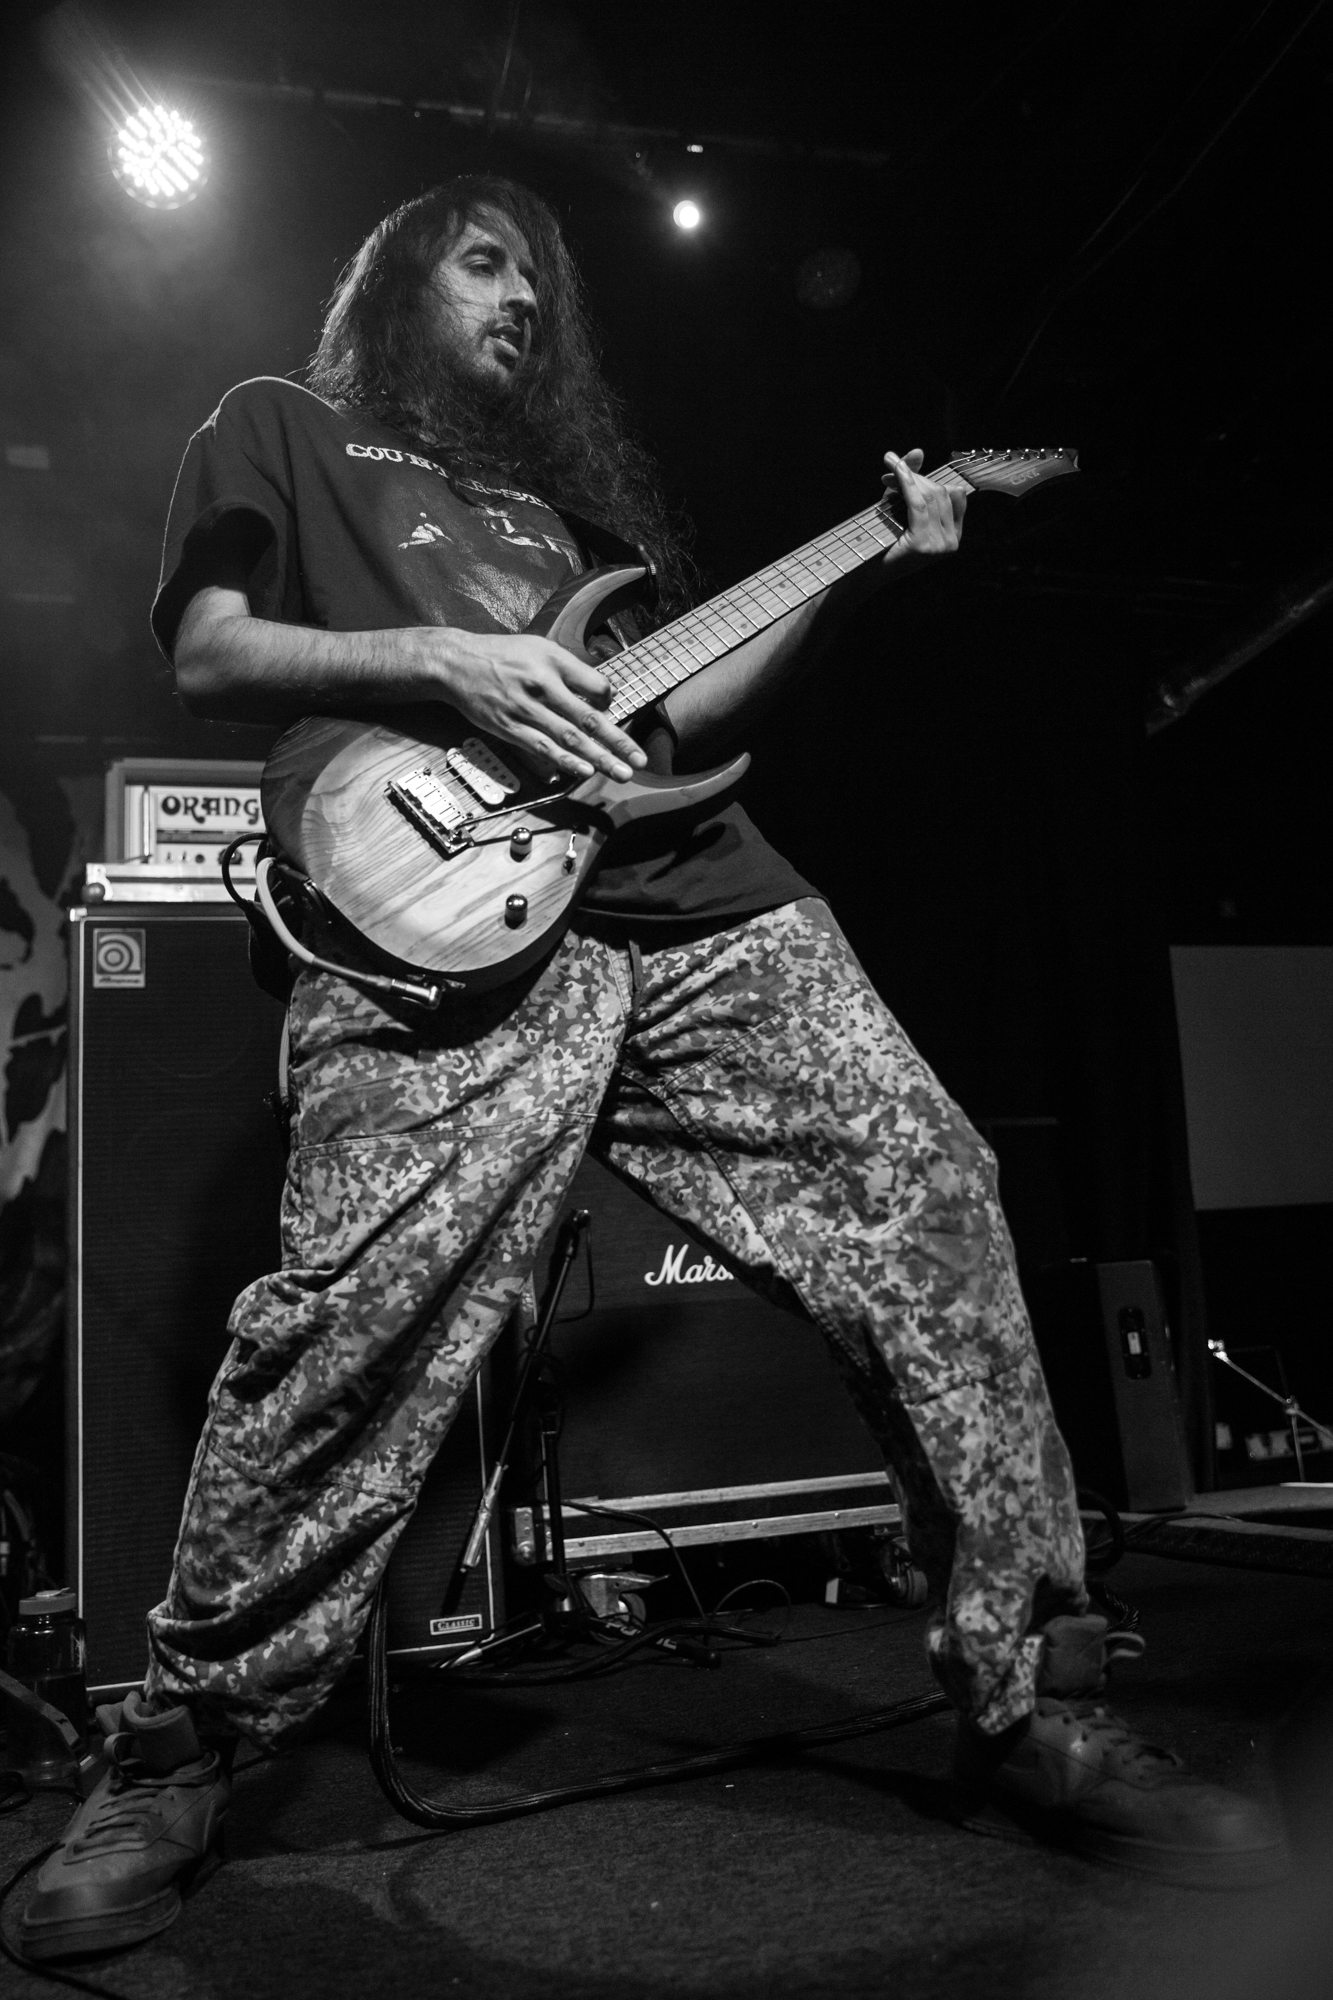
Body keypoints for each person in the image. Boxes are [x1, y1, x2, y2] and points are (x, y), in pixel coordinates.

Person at [21, 175, 1282, 1961]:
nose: (522, 301)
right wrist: (440, 657)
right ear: (395, 281)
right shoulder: (284, 427)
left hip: (695, 903)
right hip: (433, 908)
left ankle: (1037, 1695)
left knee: (929, 1199)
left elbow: (678, 711)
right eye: (484, 264)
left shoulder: (569, 523)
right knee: (353, 1320)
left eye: (541, 282)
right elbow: (212, 650)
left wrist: (867, 552)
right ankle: (183, 1743)